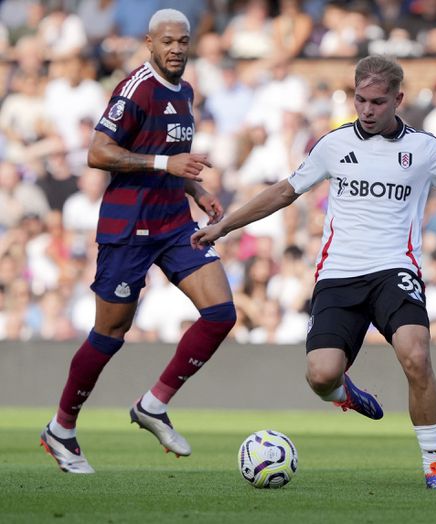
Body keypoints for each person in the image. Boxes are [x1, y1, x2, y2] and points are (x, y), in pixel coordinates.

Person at [191, 55, 436, 489]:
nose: (368, 110)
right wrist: (224, 226)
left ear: (399, 99)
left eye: (377, 102)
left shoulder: (425, 149)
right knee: (320, 375)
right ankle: (345, 393)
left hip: (396, 269)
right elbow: (284, 191)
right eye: (361, 100)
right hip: (339, 275)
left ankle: (435, 465)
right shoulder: (333, 145)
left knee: (416, 354)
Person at [40, 9, 236, 474]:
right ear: (149, 43)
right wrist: (165, 167)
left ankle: (153, 404)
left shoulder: (185, 91)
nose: (176, 49)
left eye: (183, 41)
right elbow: (97, 153)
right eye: (167, 41)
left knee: (221, 313)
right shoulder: (135, 88)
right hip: (129, 228)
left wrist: (196, 189)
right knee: (110, 333)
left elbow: (172, 157)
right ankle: (61, 428)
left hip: (173, 223)